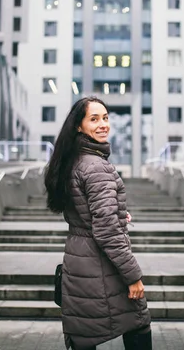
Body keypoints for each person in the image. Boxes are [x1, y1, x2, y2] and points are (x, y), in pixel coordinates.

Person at [44, 97, 152, 350]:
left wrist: (115, 214)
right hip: (101, 265)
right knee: (138, 323)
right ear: (79, 127)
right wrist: (133, 276)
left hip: (79, 261)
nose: (103, 124)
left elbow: (84, 212)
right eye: (94, 119)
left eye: (105, 117)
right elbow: (106, 232)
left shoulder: (73, 161)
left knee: (83, 333)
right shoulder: (96, 167)